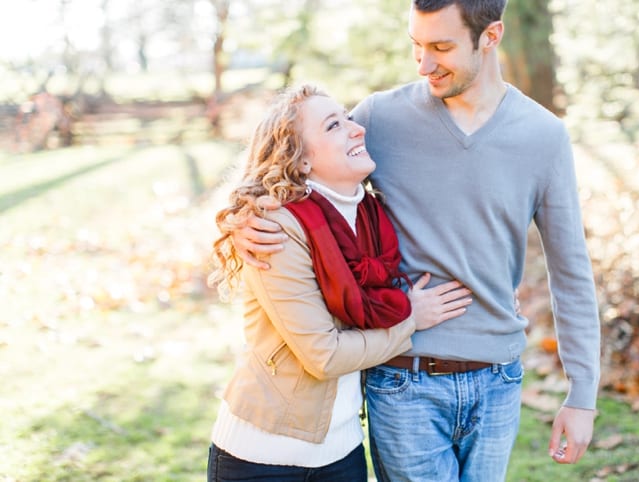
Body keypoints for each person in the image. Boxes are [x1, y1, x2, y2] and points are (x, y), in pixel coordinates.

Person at [226, 1, 601, 480]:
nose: (424, 65)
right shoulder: (381, 118)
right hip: (403, 378)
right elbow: (287, 164)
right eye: (416, 46)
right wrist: (240, 215)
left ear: (490, 36)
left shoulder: (544, 136)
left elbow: (570, 271)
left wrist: (582, 395)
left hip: (499, 380)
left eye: (441, 47)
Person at [206, 84, 472, 481]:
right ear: (301, 160)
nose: (356, 129)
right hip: (262, 458)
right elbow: (324, 355)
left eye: (348, 117)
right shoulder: (275, 227)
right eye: (334, 125)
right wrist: (411, 319)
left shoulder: (371, 218)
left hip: (342, 453)